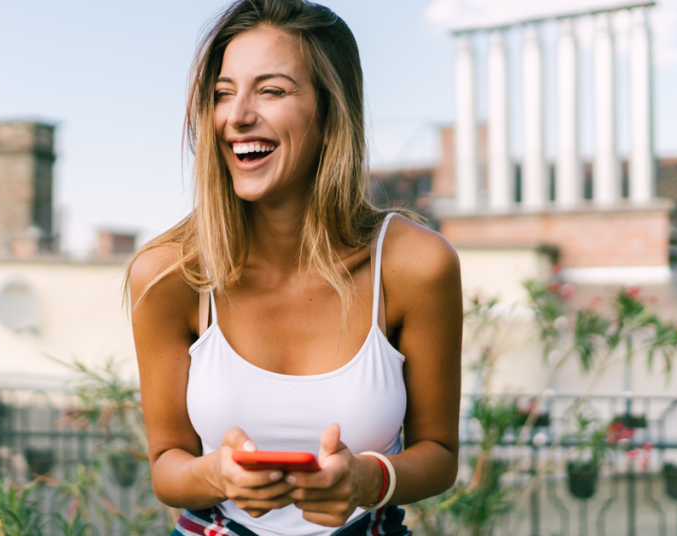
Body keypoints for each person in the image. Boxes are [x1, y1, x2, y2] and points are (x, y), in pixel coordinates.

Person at [127, 0, 462, 534]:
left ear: (332, 113)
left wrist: (365, 481)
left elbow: (439, 453)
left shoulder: (414, 265)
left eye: (272, 90)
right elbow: (168, 464)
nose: (236, 116)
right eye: (223, 93)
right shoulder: (170, 273)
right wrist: (216, 475)